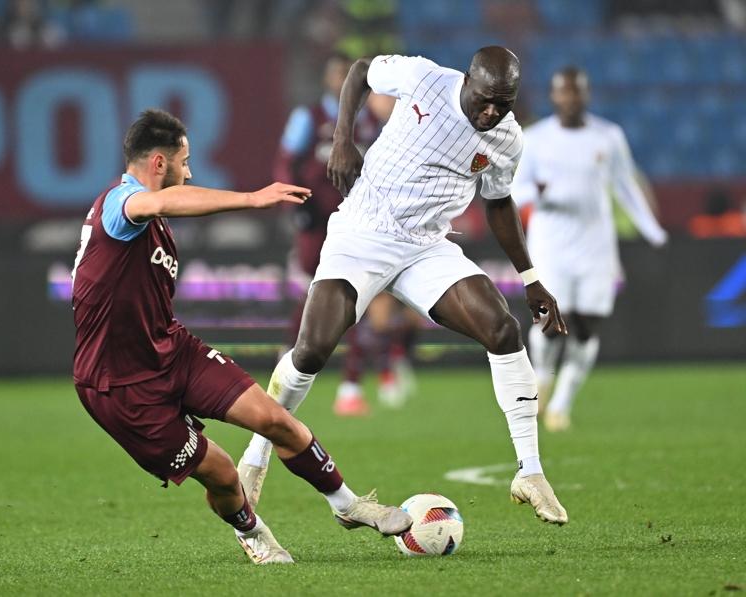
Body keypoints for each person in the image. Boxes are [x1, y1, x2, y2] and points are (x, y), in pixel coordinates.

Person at [239, 48, 570, 525]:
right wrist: (343, 140)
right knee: (310, 351)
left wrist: (531, 279)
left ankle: (531, 472)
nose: (491, 111)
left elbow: (499, 203)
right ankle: (257, 454)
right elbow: (359, 71)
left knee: (502, 328)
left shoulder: (507, 138)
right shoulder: (423, 78)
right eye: (484, 99)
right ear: (467, 81)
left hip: (425, 248)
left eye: (504, 103)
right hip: (363, 232)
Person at [71, 109, 411, 566]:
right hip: (120, 386)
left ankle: (347, 505)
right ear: (158, 163)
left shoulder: (146, 215)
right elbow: (154, 204)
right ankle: (252, 533)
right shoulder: (121, 204)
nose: (189, 172)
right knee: (224, 475)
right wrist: (252, 199)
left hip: (171, 350)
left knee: (274, 419)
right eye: (184, 162)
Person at [511, 67, 668, 432]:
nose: (570, 98)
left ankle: (561, 404)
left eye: (576, 92)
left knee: (586, 326)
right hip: (551, 246)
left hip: (596, 246)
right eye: (563, 92)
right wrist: (539, 192)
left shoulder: (608, 137)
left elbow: (625, 186)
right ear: (554, 96)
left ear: (586, 95)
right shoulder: (535, 139)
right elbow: (516, 191)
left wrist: (653, 231)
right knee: (549, 322)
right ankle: (543, 380)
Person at [275, 53, 417, 415]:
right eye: (337, 74)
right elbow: (286, 163)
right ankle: (287, 361)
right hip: (316, 222)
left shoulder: (371, 122)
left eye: (347, 75)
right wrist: (295, 208)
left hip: (358, 222)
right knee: (316, 297)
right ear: (327, 79)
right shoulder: (308, 117)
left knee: (359, 301)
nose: (342, 82)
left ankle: (352, 386)